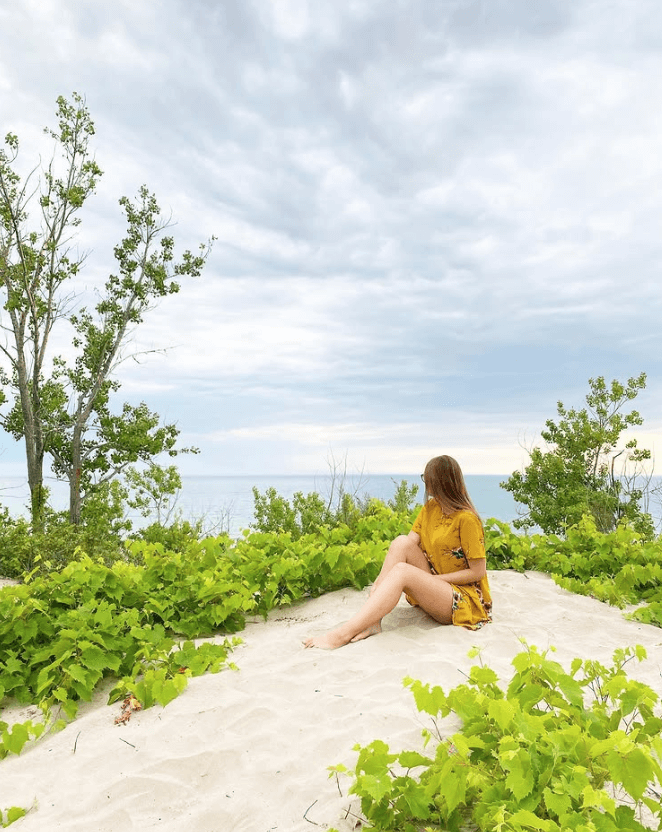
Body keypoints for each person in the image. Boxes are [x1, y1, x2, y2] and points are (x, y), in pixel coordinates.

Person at [303, 455, 492, 649]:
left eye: (426, 478)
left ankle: (341, 635)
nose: (425, 483)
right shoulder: (431, 508)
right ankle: (373, 621)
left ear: (439, 482)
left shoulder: (467, 519)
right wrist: (382, 582)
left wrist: (433, 580)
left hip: (462, 597)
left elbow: (477, 572)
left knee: (402, 571)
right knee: (400, 543)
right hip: (435, 585)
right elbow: (408, 544)